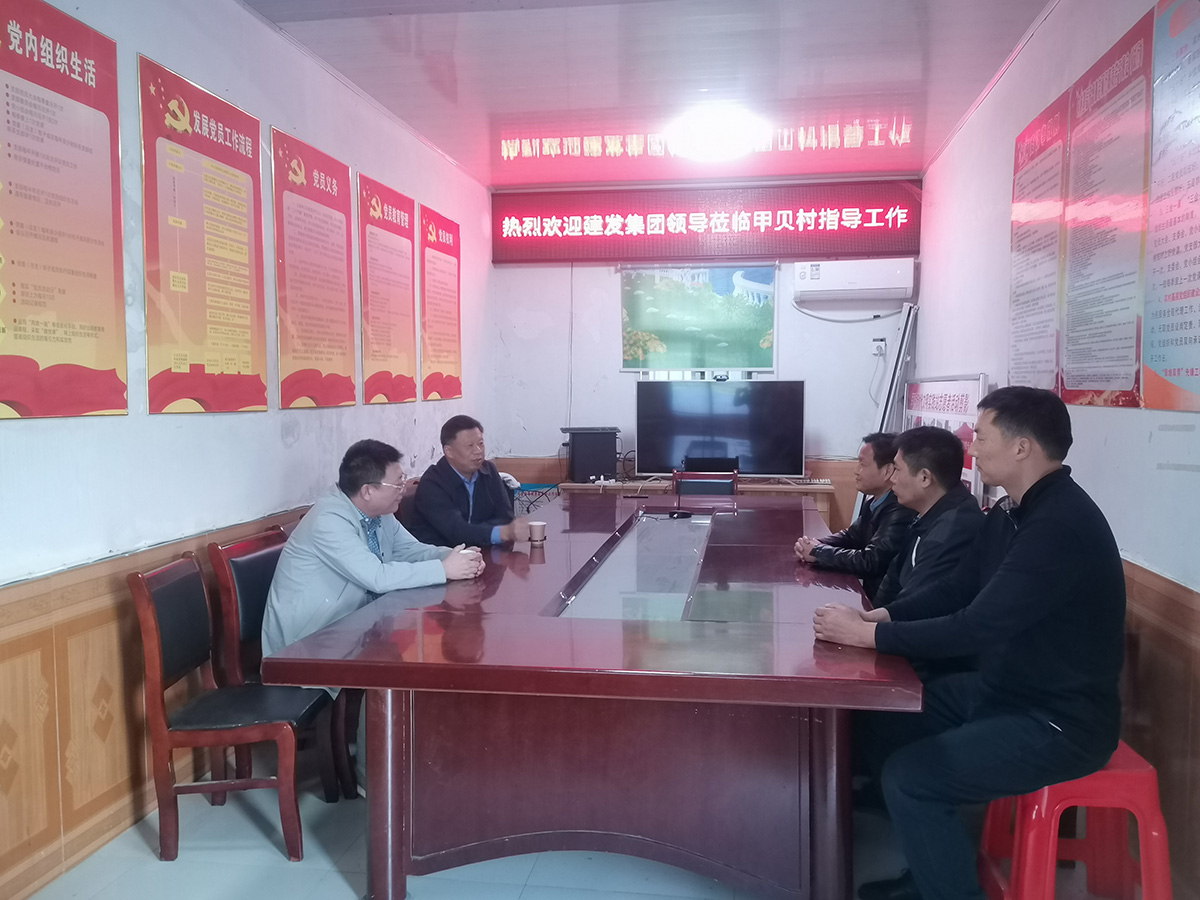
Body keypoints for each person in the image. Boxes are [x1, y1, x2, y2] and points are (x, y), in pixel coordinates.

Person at [813, 386, 1125, 900]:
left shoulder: (1059, 525)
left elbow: (975, 625)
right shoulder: (1009, 511)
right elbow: (956, 588)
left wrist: (871, 636)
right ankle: (933, 863)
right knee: (882, 720)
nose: (971, 447)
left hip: (1059, 718)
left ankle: (947, 885)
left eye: (981, 436)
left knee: (912, 778)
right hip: (1005, 689)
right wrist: (880, 616)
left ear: (1021, 447)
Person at [261, 438, 484, 659]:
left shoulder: (379, 512)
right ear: (367, 491)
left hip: (357, 629)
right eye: (397, 484)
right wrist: (445, 569)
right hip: (307, 644)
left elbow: (411, 550)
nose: (403, 489)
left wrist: (456, 557)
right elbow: (376, 577)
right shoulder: (328, 521)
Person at [872, 426, 984, 609]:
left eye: (897, 470)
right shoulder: (929, 512)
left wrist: (868, 623)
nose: (892, 479)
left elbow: (913, 607)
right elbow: (893, 579)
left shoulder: (951, 530)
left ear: (925, 478)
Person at [795, 432, 915, 601]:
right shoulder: (875, 501)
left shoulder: (899, 509)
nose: (856, 471)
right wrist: (815, 544)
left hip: (885, 606)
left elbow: (872, 561)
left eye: (862, 464)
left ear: (887, 471)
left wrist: (818, 552)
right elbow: (852, 536)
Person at [408, 415, 530, 546]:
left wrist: (474, 531)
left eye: (481, 443)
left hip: (479, 550)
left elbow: (506, 517)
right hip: (442, 555)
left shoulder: (488, 471)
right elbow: (456, 532)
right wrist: (500, 532)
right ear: (449, 451)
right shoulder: (432, 483)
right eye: (469, 446)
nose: (478, 451)